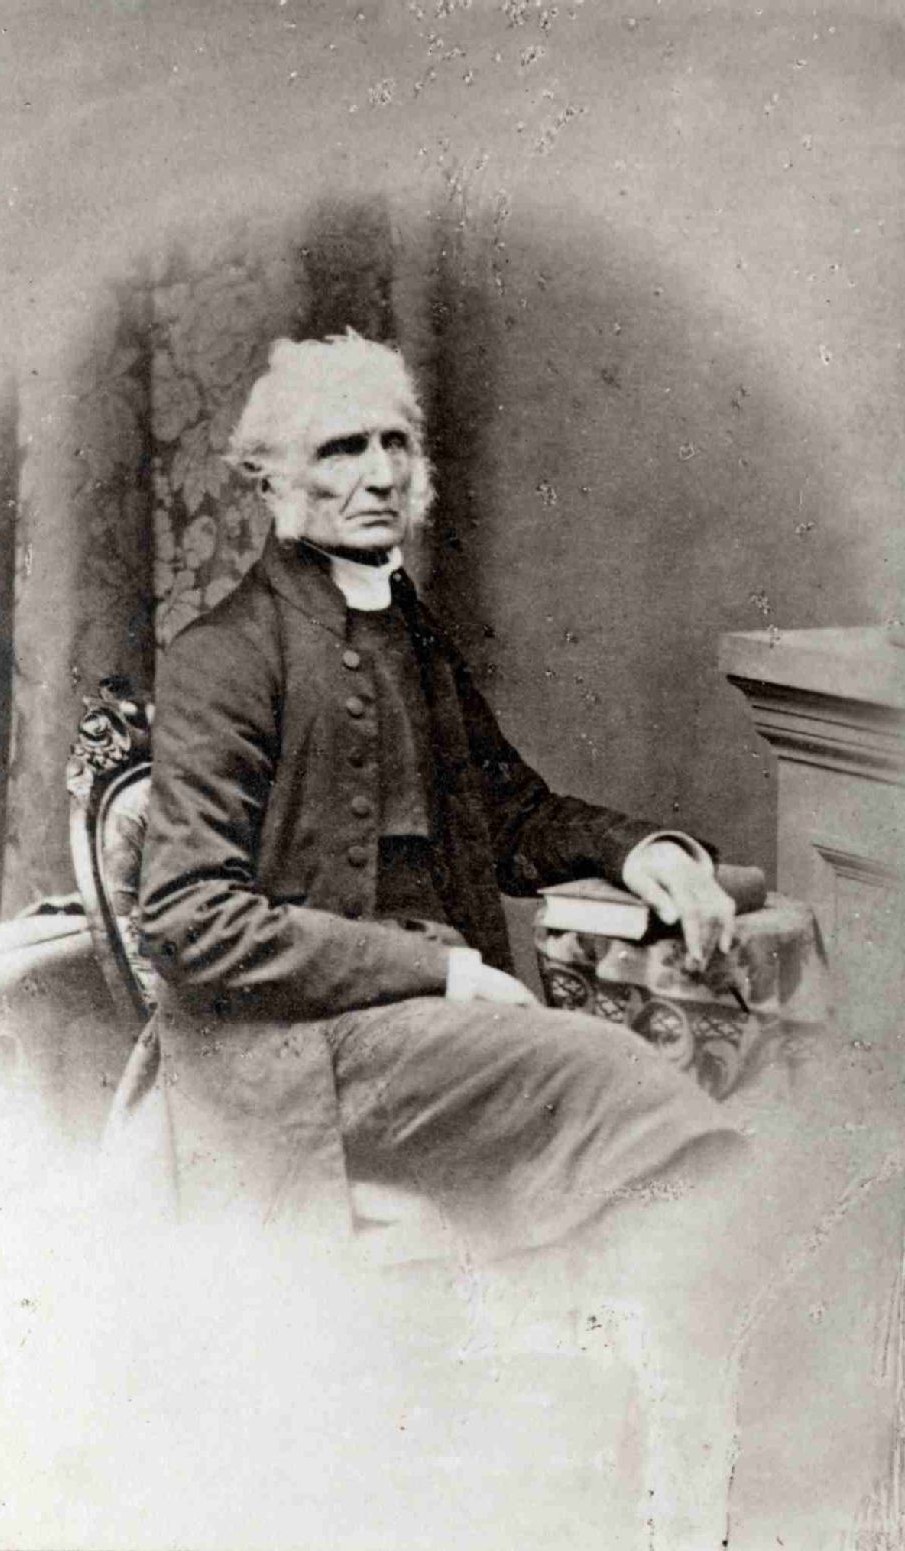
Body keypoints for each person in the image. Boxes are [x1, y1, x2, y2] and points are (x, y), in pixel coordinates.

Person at [135, 332, 756, 1546]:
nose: (377, 474)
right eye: (340, 449)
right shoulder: (221, 658)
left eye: (394, 444)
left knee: (631, 1116)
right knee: (611, 1074)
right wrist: (439, 971)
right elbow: (189, 918)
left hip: (424, 1031)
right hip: (288, 1058)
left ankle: (623, 1466)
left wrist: (641, 852)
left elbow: (509, 813)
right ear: (267, 476)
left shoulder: (409, 634)